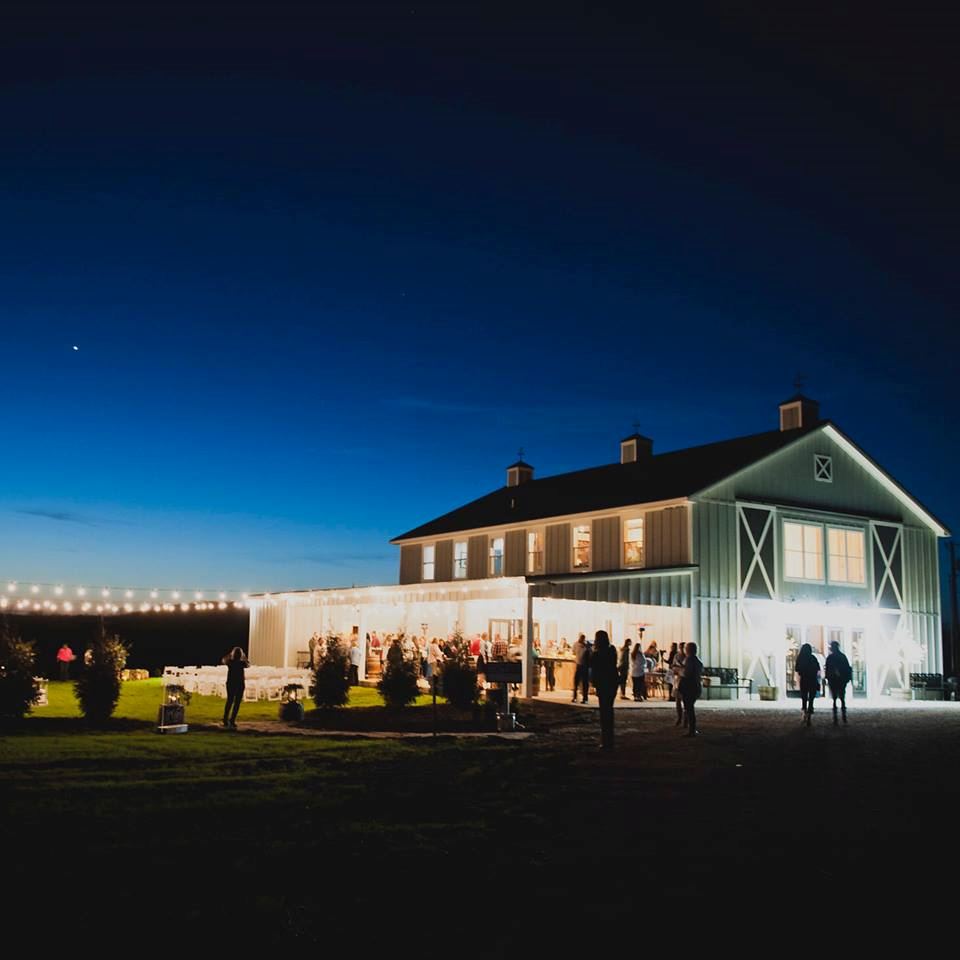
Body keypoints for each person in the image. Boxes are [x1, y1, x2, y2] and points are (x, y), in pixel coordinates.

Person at [592, 630, 619, 749]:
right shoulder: (612, 650)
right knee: (609, 710)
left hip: (603, 684)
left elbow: (594, 667)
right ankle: (609, 739)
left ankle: (606, 740)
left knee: (604, 712)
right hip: (612, 682)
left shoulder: (598, 653)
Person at [825, 639, 853, 725]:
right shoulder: (842, 657)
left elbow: (828, 669)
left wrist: (827, 678)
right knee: (842, 697)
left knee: (834, 698)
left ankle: (835, 718)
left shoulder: (830, 658)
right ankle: (843, 716)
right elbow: (847, 668)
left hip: (833, 680)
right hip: (841, 680)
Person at [678, 641, 702, 737]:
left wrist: (679, 671)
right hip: (695, 685)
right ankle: (690, 727)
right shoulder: (697, 661)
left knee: (689, 708)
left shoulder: (689, 660)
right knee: (689, 707)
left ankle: (692, 729)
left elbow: (686, 674)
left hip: (689, 686)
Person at [222, 646, 249, 729]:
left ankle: (225, 719)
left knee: (229, 701)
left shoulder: (230, 662)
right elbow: (248, 664)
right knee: (237, 703)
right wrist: (244, 656)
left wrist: (230, 654)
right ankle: (232, 720)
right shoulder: (242, 663)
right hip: (240, 684)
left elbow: (223, 660)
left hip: (231, 683)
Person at [795, 642, 821, 726]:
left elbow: (797, 669)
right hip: (812, 680)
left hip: (804, 679)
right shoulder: (813, 658)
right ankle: (809, 714)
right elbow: (818, 669)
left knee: (804, 696)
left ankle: (804, 712)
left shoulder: (800, 658)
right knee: (811, 698)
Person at [572, 633, 590, 704]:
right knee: (576, 682)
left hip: (584, 666)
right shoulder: (576, 644)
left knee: (584, 682)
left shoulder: (586, 646)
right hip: (579, 665)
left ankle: (585, 698)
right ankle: (575, 697)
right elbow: (573, 652)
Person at [672, 645, 687, 725]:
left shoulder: (687, 657)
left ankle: (685, 719)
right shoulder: (677, 656)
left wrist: (680, 665)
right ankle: (679, 717)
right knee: (678, 700)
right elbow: (673, 665)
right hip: (678, 679)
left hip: (684, 680)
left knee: (685, 701)